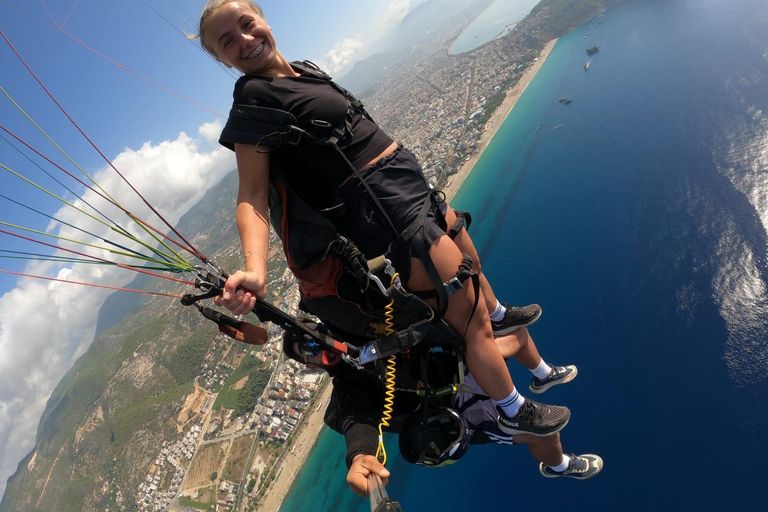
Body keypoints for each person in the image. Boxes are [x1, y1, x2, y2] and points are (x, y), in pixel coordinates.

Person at [196, 0, 581, 487]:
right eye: (227, 41)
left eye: (247, 24)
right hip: (389, 213)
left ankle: (503, 317)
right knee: (471, 323)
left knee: (474, 270)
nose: (244, 40)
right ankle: (513, 410)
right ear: (221, 59)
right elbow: (251, 194)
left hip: (408, 188)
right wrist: (256, 268)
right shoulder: (253, 98)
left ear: (264, 19)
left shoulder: (304, 72)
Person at [284, 325, 602, 497]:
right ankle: (559, 466)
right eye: (309, 349)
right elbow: (357, 416)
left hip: (458, 374)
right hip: (457, 414)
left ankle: (544, 376)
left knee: (515, 336)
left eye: (316, 335)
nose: (320, 345)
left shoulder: (362, 338)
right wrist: (360, 454)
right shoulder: (349, 383)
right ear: (310, 364)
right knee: (546, 434)